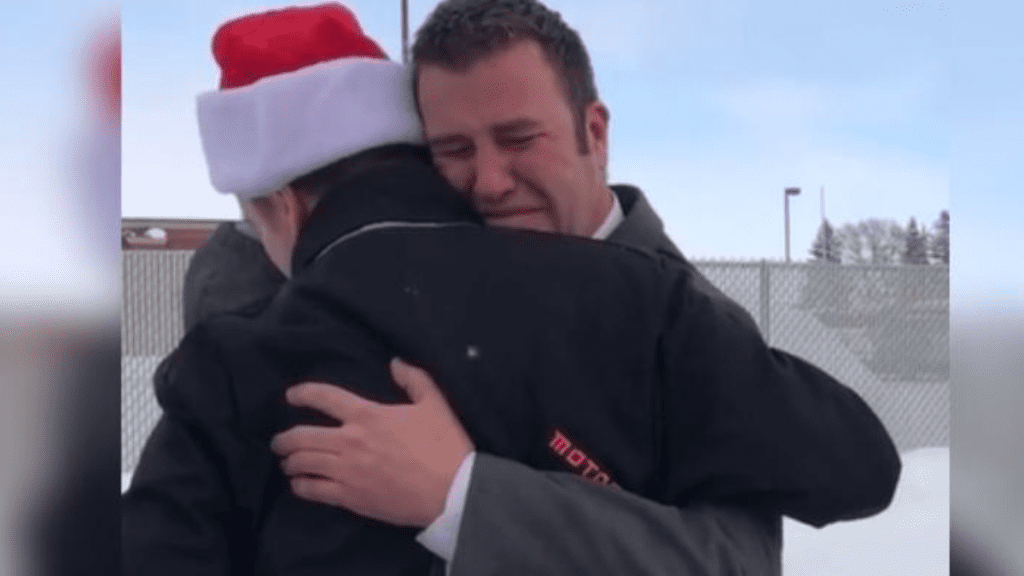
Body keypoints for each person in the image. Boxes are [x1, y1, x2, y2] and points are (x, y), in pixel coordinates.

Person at [123, 3, 899, 575]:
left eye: (519, 139)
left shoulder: (666, 309)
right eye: (453, 150)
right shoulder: (304, 310)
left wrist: (462, 496)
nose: (489, 182)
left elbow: (737, 560)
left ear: (595, 132)